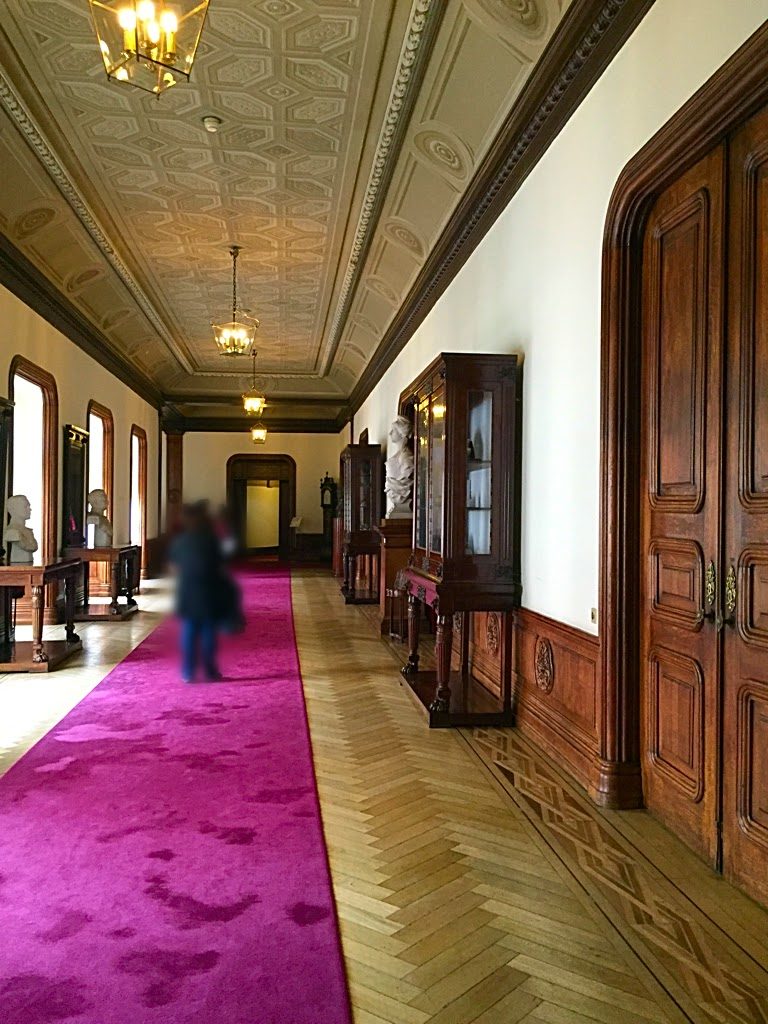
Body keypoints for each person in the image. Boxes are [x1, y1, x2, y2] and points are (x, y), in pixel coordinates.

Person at [168, 502, 224, 683]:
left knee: (189, 631)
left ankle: (188, 671)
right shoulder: (211, 540)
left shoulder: (179, 541)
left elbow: (173, 567)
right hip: (208, 590)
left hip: (188, 590)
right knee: (208, 631)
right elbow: (219, 565)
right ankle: (209, 671)